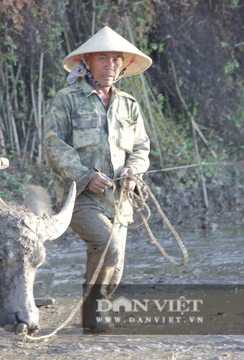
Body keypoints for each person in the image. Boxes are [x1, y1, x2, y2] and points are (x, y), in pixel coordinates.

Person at [43, 26, 151, 331]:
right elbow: (54, 146)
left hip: (120, 202)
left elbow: (141, 148)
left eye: (117, 59)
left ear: (124, 65)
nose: (111, 65)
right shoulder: (66, 100)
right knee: (108, 246)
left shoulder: (129, 105)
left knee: (113, 272)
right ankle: (93, 314)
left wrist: (133, 171)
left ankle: (92, 321)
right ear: (87, 61)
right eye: (103, 58)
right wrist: (85, 176)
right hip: (81, 198)